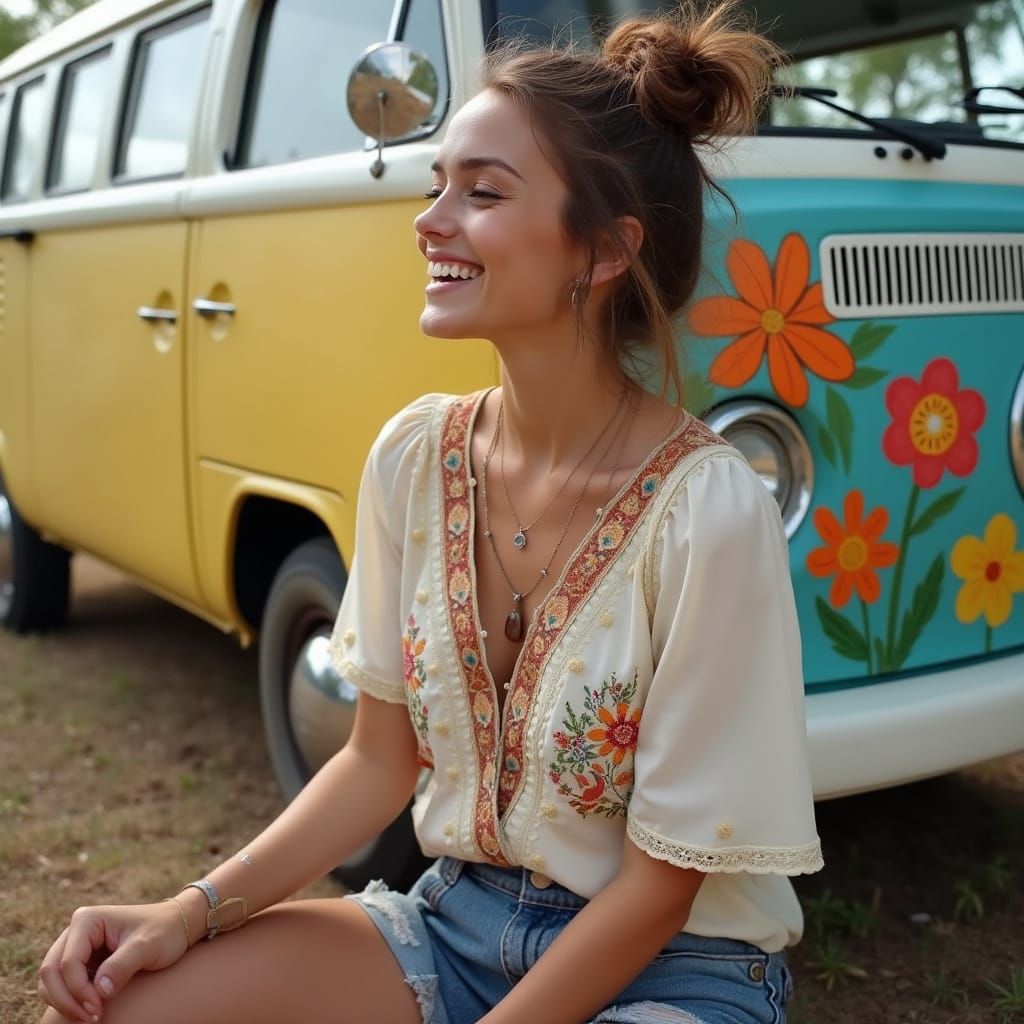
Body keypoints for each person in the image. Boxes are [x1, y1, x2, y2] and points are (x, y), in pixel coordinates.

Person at [37, 3, 823, 1022]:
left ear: (602, 251)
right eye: (435, 183)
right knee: (112, 1005)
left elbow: (659, 886)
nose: (429, 217)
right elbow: (376, 759)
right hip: (451, 922)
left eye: (481, 192)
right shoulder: (418, 455)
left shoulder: (708, 511)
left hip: (674, 963)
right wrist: (185, 913)